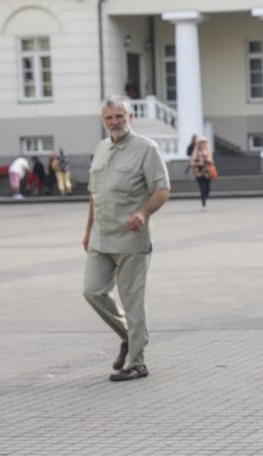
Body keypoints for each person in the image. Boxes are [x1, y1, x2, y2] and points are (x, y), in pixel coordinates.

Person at [82, 96, 170, 381]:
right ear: (103, 121)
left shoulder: (147, 149)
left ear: (130, 117)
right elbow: (95, 195)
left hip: (131, 238)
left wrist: (144, 214)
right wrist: (87, 231)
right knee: (92, 291)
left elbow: (162, 189)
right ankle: (127, 337)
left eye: (120, 116)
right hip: (100, 237)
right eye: (109, 118)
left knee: (132, 300)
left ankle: (137, 362)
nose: (115, 122)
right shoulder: (100, 149)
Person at [190, 137, 214, 211]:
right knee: (202, 188)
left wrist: (208, 160)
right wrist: (199, 162)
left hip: (207, 172)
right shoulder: (196, 152)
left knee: (208, 188)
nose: (203, 144)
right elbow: (192, 162)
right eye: (201, 143)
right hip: (199, 173)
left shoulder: (207, 151)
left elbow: (211, 160)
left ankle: (205, 198)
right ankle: (203, 204)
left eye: (204, 142)